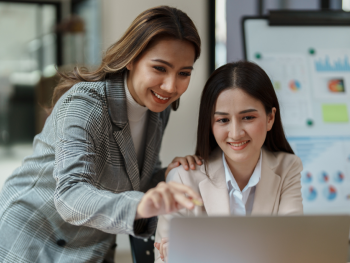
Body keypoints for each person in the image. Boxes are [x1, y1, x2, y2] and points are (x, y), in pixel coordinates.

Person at [0, 6, 204, 263]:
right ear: (131, 58)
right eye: (160, 68)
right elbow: (70, 194)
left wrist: (165, 175)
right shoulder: (86, 105)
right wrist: (139, 205)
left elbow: (131, 177)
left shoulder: (157, 108)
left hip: (90, 244)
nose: (171, 86)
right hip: (32, 241)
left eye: (183, 73)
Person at [154, 61, 303, 262]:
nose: (235, 133)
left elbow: (294, 250)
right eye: (223, 120)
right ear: (210, 124)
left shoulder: (287, 168)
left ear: (270, 118)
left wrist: (196, 252)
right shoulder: (182, 178)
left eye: (248, 117)